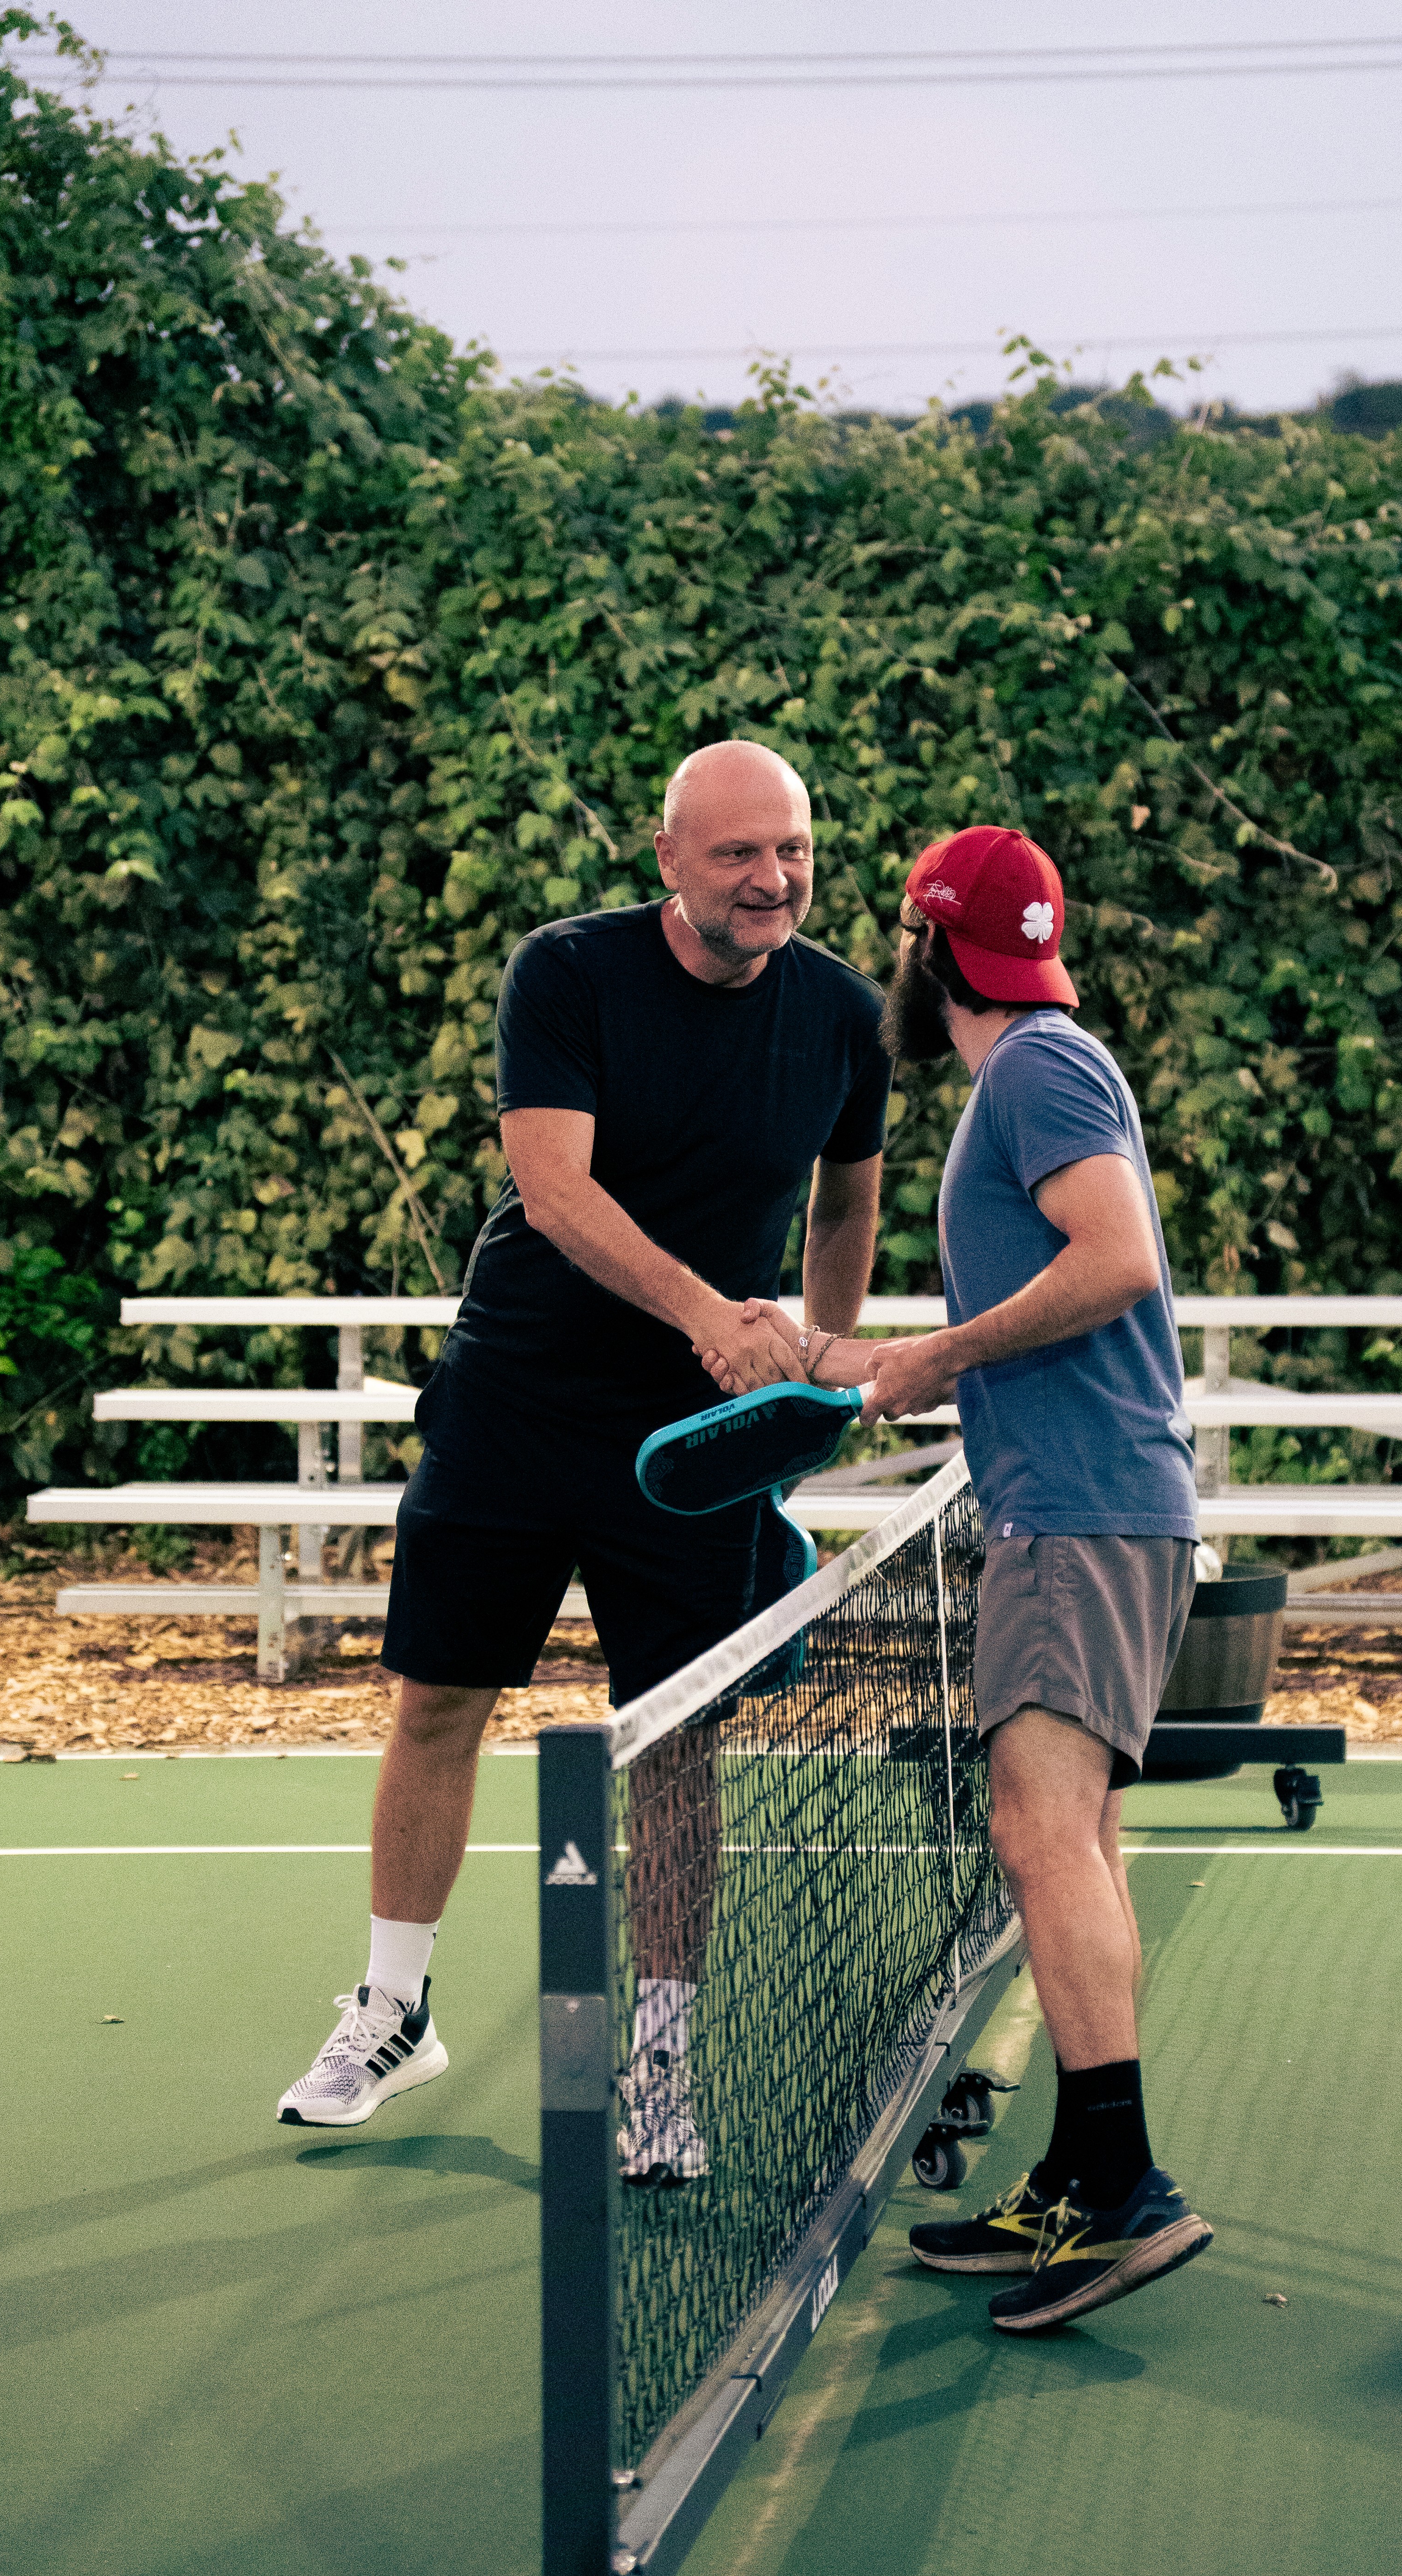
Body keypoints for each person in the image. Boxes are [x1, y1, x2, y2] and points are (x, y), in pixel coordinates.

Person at [275, 740, 890, 2168]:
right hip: (518, 1398)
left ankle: (658, 2067)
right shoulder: (567, 974)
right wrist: (709, 1318)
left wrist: (801, 1379)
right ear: (670, 860)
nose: (772, 877)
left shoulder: (849, 1017)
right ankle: (394, 2007)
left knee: (677, 1743)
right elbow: (555, 1193)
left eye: (791, 849)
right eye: (739, 852)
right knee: (441, 1701)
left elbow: (845, 1209)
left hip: (690, 1439)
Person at [730, 824, 1213, 2335]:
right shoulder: (1046, 1072)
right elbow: (1022, 1319)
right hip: (1071, 1504)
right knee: (1080, 1837)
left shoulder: (1037, 1072)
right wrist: (827, 1352)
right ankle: (1081, 2171)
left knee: (1039, 1830)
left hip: (1077, 1522)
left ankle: (1128, 2188)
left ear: (929, 951)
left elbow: (1117, 1260)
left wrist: (933, 1351)